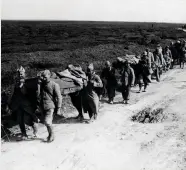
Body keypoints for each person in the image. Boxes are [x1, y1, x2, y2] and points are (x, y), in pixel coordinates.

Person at [9, 66, 38, 140]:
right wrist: (11, 104)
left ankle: (35, 130)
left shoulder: (28, 82)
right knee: (20, 119)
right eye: (19, 74)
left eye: (21, 73)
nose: (20, 75)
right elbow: (15, 94)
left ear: (24, 73)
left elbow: (33, 93)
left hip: (27, 104)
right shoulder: (16, 84)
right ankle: (24, 134)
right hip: (19, 105)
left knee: (31, 118)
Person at [37, 70, 62, 142]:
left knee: (47, 122)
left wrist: (59, 108)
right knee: (46, 122)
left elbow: (59, 97)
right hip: (42, 106)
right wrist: (38, 85)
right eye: (43, 77)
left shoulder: (54, 85)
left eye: (45, 77)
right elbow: (38, 95)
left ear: (49, 76)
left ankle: (52, 135)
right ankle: (50, 135)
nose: (44, 79)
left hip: (50, 106)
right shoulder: (41, 84)